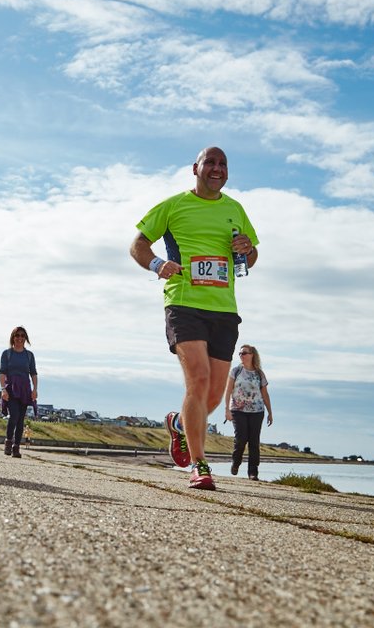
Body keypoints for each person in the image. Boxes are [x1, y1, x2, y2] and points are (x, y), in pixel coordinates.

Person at [130, 146, 258, 490]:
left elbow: (251, 258)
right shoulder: (173, 206)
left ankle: (178, 424)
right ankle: (200, 466)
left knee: (213, 395)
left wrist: (247, 249)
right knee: (198, 380)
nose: (217, 168)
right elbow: (138, 244)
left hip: (224, 309)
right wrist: (157, 264)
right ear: (195, 168)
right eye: (210, 162)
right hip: (184, 302)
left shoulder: (235, 209)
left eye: (223, 163)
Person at [224, 343, 272, 480]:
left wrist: (270, 412)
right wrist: (226, 409)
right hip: (238, 410)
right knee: (241, 439)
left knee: (254, 442)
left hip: (257, 411)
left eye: (244, 353)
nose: (241, 355)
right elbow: (228, 390)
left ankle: (253, 472)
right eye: (240, 353)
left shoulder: (259, 374)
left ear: (252, 355)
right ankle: (236, 462)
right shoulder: (236, 371)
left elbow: (265, 394)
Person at [0, 326, 38, 458]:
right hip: (11, 389)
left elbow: (33, 373)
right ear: (13, 337)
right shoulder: (7, 354)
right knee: (14, 416)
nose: (20, 338)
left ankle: (16, 447)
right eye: (17, 335)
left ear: (25, 338)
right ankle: (8, 442)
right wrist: (3, 389)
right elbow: (2, 373)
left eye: (22, 335)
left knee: (20, 420)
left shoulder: (29, 355)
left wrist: (35, 389)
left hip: (24, 389)